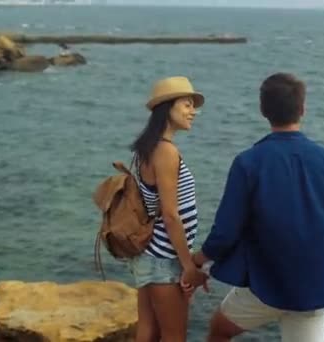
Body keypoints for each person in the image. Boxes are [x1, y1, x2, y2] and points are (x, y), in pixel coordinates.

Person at [192, 73, 324, 342]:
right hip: (314, 288)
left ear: (263, 110)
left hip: (265, 283)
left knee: (220, 330)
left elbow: (225, 233)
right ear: (302, 109)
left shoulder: (248, 163)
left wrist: (196, 260)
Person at [129, 76, 209, 342]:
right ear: (167, 108)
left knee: (148, 331)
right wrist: (187, 266)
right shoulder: (166, 151)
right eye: (186, 105)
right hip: (164, 258)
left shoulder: (147, 149)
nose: (193, 112)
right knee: (174, 337)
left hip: (148, 256)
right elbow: (171, 214)